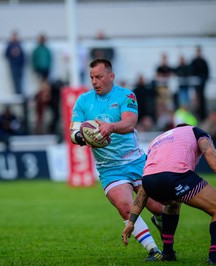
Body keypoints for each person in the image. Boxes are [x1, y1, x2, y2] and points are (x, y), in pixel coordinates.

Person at [70, 58, 164, 261]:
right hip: (109, 168)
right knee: (125, 207)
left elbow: (130, 123)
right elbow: (73, 132)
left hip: (137, 161)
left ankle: (161, 221)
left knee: (158, 207)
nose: (94, 81)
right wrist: (83, 137)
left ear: (111, 76)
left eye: (99, 77)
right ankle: (154, 251)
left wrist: (110, 127)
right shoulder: (83, 101)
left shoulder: (126, 95)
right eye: (92, 77)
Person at [122, 124, 216, 265]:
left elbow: (143, 191)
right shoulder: (195, 131)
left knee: (172, 203)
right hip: (176, 175)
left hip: (148, 180)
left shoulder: (158, 139)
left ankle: (168, 253)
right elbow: (210, 152)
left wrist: (131, 222)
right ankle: (215, 258)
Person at [190, 46, 209, 120]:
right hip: (195, 85)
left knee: (202, 100)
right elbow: (191, 72)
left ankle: (202, 116)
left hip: (202, 85)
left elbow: (206, 73)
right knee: (196, 101)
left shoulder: (203, 61)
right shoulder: (193, 61)